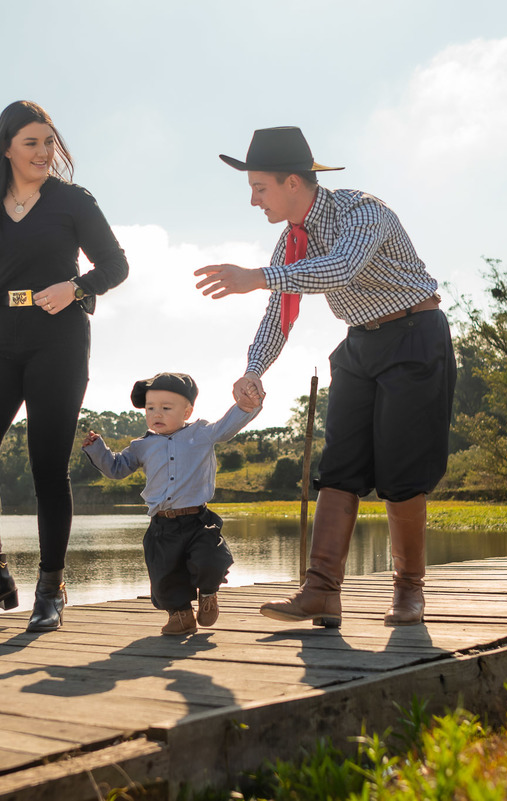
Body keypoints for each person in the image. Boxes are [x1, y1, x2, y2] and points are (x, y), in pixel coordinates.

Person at [194, 126, 455, 628]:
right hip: (359, 344)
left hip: (414, 334)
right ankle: (321, 591)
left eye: (259, 188)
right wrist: (253, 370)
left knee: (402, 471)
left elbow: (341, 269)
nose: (254, 201)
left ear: (293, 182)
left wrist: (258, 276)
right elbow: (279, 313)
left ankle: (408, 593)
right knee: (339, 467)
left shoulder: (363, 211)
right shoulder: (289, 242)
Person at [0, 100, 128, 631]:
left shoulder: (71, 201)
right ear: (7, 146)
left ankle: (51, 588)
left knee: (47, 464)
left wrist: (77, 287)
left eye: (49, 142)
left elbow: (115, 264)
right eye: (32, 143)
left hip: (60, 338)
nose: (45, 152)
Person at [81, 373, 261, 635]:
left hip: (197, 521)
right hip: (162, 526)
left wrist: (245, 406)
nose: (157, 414)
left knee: (209, 559)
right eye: (151, 408)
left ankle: (208, 593)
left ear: (187, 410)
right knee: (164, 575)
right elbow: (117, 469)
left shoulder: (201, 433)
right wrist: (97, 449)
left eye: (166, 408)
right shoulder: (141, 446)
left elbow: (226, 427)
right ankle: (181, 616)